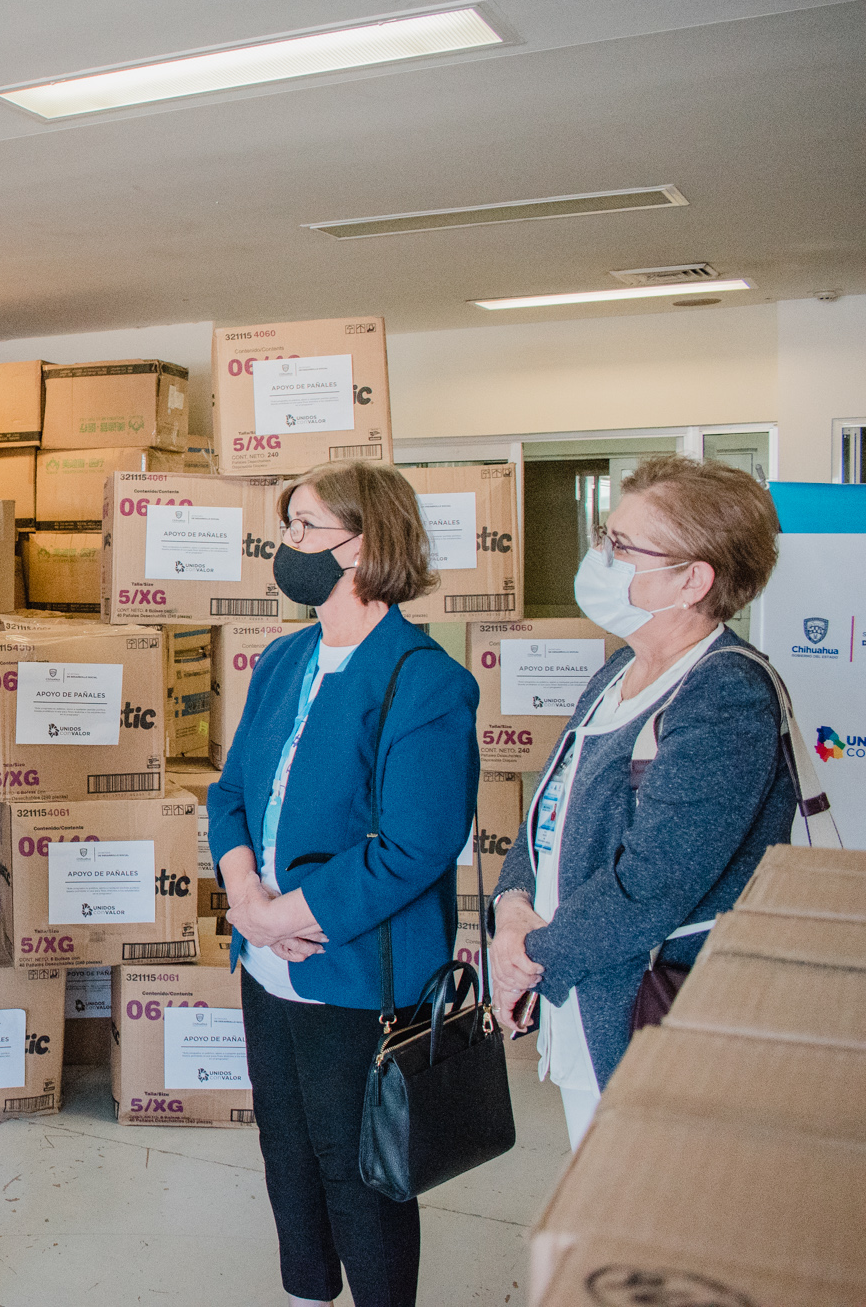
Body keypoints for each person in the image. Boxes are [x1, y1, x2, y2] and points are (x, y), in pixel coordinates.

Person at [208, 460, 479, 1307]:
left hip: (356, 974)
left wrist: (283, 913)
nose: (288, 544)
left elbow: (415, 845)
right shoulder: (283, 659)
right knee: (286, 1154)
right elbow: (230, 793)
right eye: (287, 525)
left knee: (360, 1170)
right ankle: (306, 1294)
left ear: (364, 543)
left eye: (306, 526)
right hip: (267, 965)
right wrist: (245, 896)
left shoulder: (425, 680)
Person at [488, 455, 793, 1149]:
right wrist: (511, 907)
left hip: (646, 1008)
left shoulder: (724, 693)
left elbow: (653, 882)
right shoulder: (621, 668)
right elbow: (549, 813)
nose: (600, 556)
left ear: (692, 580)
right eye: (606, 536)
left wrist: (529, 956)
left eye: (622, 546)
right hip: (579, 986)